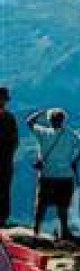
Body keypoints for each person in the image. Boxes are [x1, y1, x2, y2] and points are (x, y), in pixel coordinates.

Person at [25, 109, 80, 244]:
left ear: (49, 120)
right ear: (63, 120)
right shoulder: (70, 134)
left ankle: (36, 231)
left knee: (41, 204)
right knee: (63, 206)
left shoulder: (43, 132)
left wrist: (40, 112)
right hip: (65, 175)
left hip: (47, 174)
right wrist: (75, 161)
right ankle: (63, 233)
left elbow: (29, 122)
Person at [0, 89, 17, 228]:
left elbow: (14, 141)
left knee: (4, 190)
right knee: (4, 190)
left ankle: (2, 219)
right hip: (6, 161)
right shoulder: (9, 118)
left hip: (5, 161)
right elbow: (14, 141)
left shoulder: (9, 118)